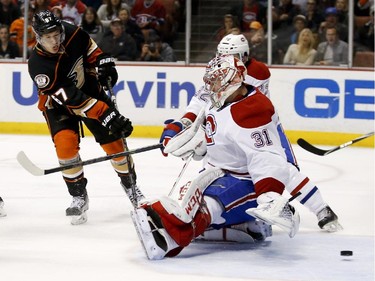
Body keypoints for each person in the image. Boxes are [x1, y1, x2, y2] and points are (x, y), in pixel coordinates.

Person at [160, 33, 341, 234]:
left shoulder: (256, 73)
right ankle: (230, 218)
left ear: (244, 55)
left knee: (284, 169)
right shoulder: (223, 69)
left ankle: (321, 209)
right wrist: (183, 124)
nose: (225, 59)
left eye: (232, 55)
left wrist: (201, 129)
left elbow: (239, 106)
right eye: (221, 54)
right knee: (214, 167)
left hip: (258, 127)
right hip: (230, 124)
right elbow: (202, 99)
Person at [131, 54, 301, 260]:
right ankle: (246, 227)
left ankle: (170, 238)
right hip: (219, 172)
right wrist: (192, 140)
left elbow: (266, 156)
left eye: (217, 80)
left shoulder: (252, 109)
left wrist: (269, 196)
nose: (212, 86)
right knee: (189, 195)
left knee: (209, 204)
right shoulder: (220, 100)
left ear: (234, 80)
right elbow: (205, 125)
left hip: (247, 182)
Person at [28, 10, 144, 225]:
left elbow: (91, 49)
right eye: (47, 37)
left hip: (90, 90)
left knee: (115, 145)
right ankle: (78, 195)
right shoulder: (38, 65)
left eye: (56, 35)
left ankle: (132, 187)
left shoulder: (71, 31)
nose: (54, 41)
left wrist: (103, 64)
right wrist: (106, 113)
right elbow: (70, 98)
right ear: (37, 37)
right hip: (59, 107)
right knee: (65, 146)